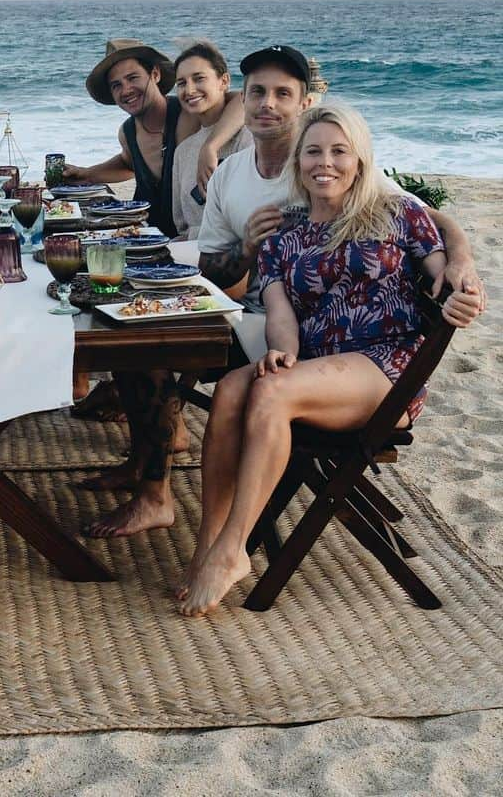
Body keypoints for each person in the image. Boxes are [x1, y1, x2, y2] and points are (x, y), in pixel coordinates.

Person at [82, 44, 485, 538]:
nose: (267, 104)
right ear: (243, 100)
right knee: (138, 333)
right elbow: (213, 266)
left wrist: (461, 260)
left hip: (312, 338)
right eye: (258, 93)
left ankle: (158, 495)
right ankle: (152, 473)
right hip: (257, 314)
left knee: (151, 351)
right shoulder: (232, 173)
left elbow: (424, 217)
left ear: (302, 104)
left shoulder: (327, 162)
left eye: (282, 94)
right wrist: (249, 250)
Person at [178, 103, 482, 616]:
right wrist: (283, 353)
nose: (326, 162)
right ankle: (208, 544)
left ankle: (233, 550)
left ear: (360, 160)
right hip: (314, 366)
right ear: (298, 162)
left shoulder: (395, 213)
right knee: (232, 387)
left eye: (340, 151)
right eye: (314, 151)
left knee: (271, 391)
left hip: (387, 369)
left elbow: (444, 273)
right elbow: (278, 311)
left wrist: (464, 285)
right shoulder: (284, 234)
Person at [63, 39, 245, 237]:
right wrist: (86, 174)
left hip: (188, 240)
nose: (126, 90)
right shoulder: (127, 132)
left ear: (155, 75)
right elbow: (128, 163)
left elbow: (243, 100)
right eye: (116, 85)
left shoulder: (189, 113)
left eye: (133, 78)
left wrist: (211, 145)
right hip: (144, 236)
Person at [169, 41, 252, 240]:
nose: (189, 90)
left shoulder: (247, 137)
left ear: (224, 81)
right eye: (181, 83)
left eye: (199, 79)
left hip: (237, 259)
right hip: (193, 256)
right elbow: (182, 226)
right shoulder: (183, 151)